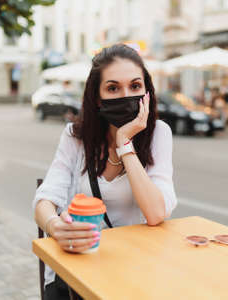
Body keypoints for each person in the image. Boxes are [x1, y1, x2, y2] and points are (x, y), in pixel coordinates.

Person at [33, 44, 177, 300]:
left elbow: (156, 213)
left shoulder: (159, 134)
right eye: (113, 88)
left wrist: (124, 144)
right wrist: (55, 226)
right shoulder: (74, 137)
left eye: (135, 86)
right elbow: (45, 199)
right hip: (79, 271)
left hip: (135, 268)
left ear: (146, 92)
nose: (125, 95)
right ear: (98, 98)